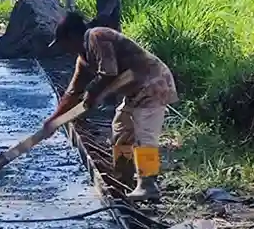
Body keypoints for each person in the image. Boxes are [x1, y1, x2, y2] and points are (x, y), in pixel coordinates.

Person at [47, 12, 176, 200]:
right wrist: (52, 121)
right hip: (133, 91)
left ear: (72, 36)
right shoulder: (83, 58)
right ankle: (124, 181)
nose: (64, 49)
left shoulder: (96, 36)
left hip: (153, 83)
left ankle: (148, 184)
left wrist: (92, 94)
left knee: (145, 135)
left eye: (64, 43)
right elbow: (72, 93)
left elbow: (108, 72)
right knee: (121, 129)